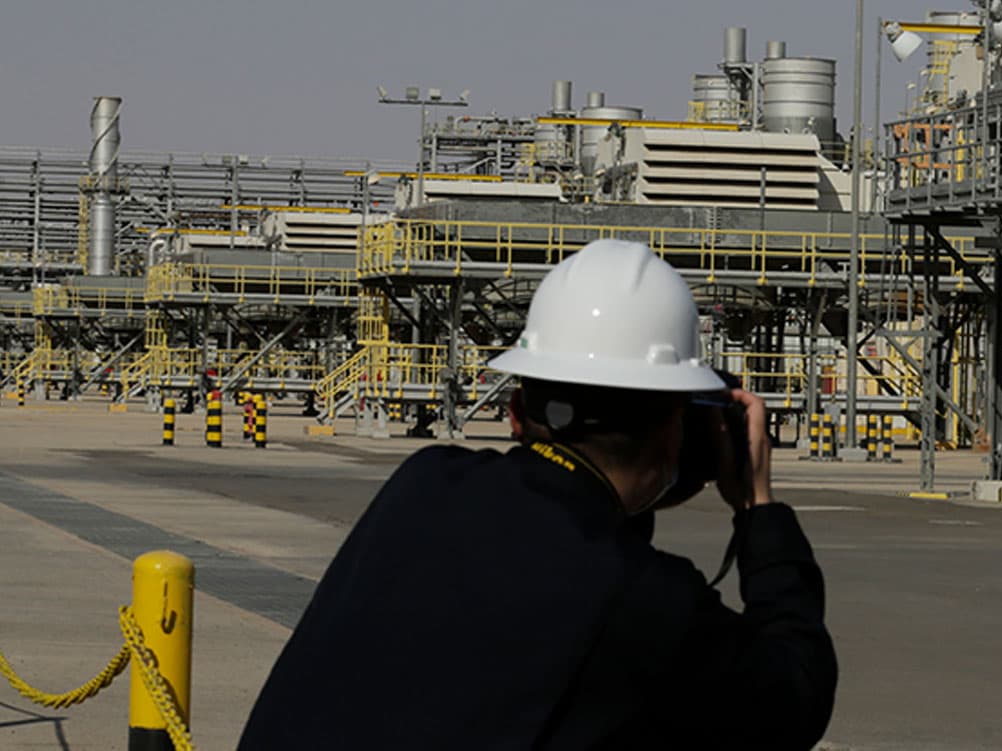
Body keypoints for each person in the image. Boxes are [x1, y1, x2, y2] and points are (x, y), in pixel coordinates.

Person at [235, 239, 836, 750]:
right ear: (681, 429)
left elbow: (558, 532)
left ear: (517, 411)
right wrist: (759, 510)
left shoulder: (423, 485)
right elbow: (796, 696)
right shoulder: (647, 602)